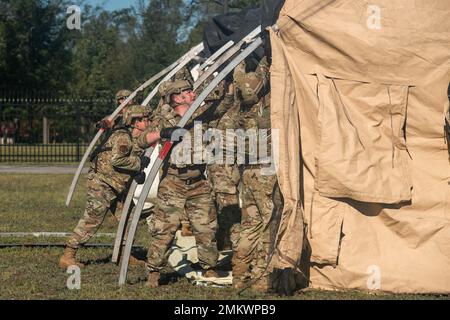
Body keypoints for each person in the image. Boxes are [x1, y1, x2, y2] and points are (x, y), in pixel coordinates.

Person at [137, 79, 235, 287]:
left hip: (199, 182)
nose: (193, 94)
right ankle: (154, 272)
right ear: (177, 97)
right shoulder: (164, 118)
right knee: (165, 229)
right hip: (173, 181)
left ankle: (209, 268)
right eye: (189, 92)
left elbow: (224, 104)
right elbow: (142, 139)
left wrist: (229, 83)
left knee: (206, 228)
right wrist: (163, 133)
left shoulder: (201, 114)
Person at [59, 105, 151, 269]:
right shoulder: (123, 137)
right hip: (102, 184)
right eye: (146, 119)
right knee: (92, 220)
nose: (149, 122)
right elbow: (117, 160)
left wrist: (134, 173)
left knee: (129, 217)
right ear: (136, 122)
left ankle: (124, 253)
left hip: (115, 185)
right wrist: (138, 164)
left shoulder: (132, 137)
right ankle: (68, 254)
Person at [231, 56, 278, 292]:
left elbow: (241, 81)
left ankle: (239, 274)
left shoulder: (242, 110)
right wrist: (265, 60)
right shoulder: (266, 111)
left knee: (249, 225)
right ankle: (261, 276)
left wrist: (241, 63)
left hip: (248, 172)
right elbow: (264, 80)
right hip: (265, 172)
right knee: (268, 223)